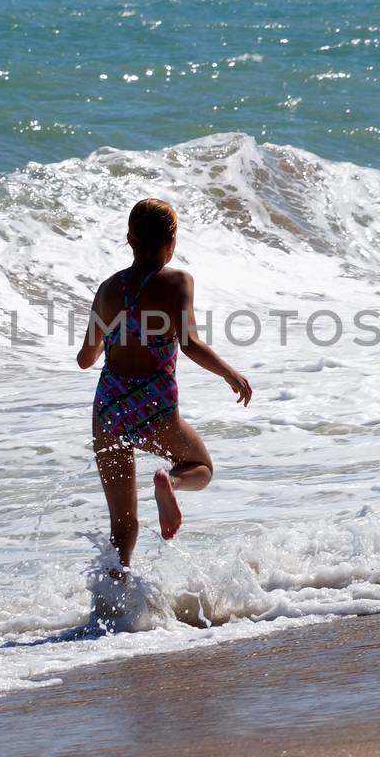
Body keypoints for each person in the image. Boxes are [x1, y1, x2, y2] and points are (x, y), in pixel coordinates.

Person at [76, 198, 253, 573]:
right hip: (154, 404)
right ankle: (169, 482)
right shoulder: (177, 281)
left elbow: (85, 359)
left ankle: (113, 605)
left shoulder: (108, 289)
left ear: (129, 239)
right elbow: (188, 343)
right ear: (171, 241)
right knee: (199, 466)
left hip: (109, 408)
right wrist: (229, 373)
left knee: (123, 525)